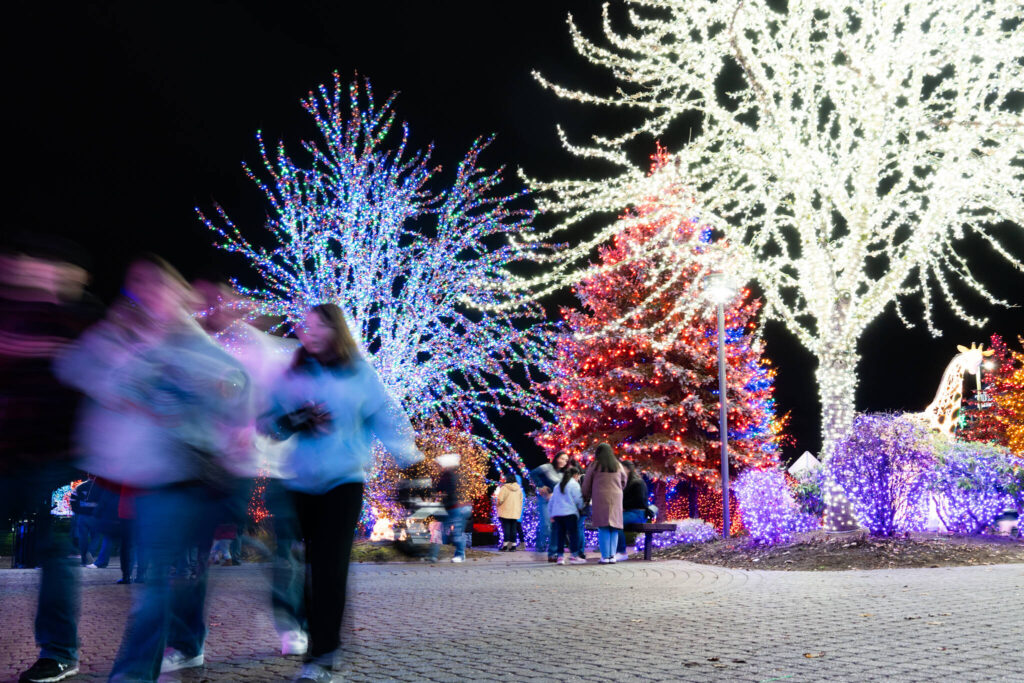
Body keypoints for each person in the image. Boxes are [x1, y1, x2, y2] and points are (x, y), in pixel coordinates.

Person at [55, 254, 252, 682]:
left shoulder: (201, 350)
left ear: (179, 294)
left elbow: (234, 400)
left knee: (156, 588)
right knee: (168, 583)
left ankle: (136, 673)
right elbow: (79, 370)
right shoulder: (135, 343)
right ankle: (183, 644)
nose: (147, 296)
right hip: (140, 481)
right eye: (138, 288)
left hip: (185, 483)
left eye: (157, 286)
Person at [260, 303, 422, 683]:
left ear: (336, 331)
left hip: (344, 481)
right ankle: (307, 627)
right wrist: (294, 419)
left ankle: (323, 655)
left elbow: (389, 418)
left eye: (318, 326)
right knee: (290, 566)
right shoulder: (292, 374)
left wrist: (410, 466)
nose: (308, 332)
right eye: (305, 326)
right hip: (297, 482)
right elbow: (267, 424)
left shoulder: (359, 374)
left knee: (330, 569)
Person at [1, 236, 99, 683]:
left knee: (58, 551)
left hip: (60, 465)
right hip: (8, 457)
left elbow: (95, 382)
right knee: (57, 552)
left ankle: (59, 652)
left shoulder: (76, 323)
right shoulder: (9, 316)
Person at [192, 276, 306, 655]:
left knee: (284, 550)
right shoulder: (196, 348)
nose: (217, 306)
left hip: (274, 466)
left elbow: (292, 398)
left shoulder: (272, 350)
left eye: (224, 298)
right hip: (215, 466)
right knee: (193, 553)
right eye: (208, 299)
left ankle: (291, 623)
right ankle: (187, 641)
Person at [582, 443, 628, 564]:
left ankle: (605, 556)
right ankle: (612, 556)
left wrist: (585, 497)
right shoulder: (618, 465)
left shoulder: (595, 465)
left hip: (600, 497)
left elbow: (587, 483)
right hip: (616, 498)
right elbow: (624, 481)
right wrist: (618, 489)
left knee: (603, 527)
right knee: (614, 527)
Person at [432, 453, 472, 563]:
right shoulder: (449, 474)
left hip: (457, 507)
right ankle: (438, 554)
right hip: (453, 507)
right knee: (445, 531)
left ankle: (460, 554)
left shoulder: (451, 475)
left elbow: (443, 489)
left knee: (455, 532)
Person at [529, 451, 569, 561]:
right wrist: (540, 486)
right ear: (556, 458)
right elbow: (532, 473)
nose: (564, 462)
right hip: (544, 500)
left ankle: (553, 552)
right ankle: (540, 545)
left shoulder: (563, 474)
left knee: (555, 527)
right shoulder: (546, 467)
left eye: (566, 460)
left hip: (556, 502)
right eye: (562, 458)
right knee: (546, 525)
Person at [547, 465, 586, 565]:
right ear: (575, 475)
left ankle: (560, 557)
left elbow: (552, 501)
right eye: (578, 476)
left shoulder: (557, 485)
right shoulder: (574, 484)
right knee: (573, 534)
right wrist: (581, 507)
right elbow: (578, 498)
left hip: (558, 514)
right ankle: (574, 556)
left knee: (561, 535)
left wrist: (551, 514)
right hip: (570, 513)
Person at [616, 461, 649, 561]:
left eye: (621, 468)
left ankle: (622, 552)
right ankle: (614, 550)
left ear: (628, 469)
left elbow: (639, 501)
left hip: (638, 513)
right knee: (614, 521)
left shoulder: (638, 483)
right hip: (629, 512)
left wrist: (623, 506)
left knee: (617, 522)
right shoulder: (625, 482)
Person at [494, 475, 523, 551]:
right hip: (515, 512)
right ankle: (513, 546)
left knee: (506, 529)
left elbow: (500, 500)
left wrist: (497, 504)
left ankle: (505, 546)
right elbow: (521, 500)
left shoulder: (504, 488)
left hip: (505, 511)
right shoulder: (519, 489)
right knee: (513, 529)